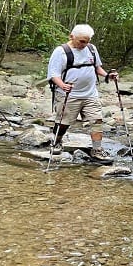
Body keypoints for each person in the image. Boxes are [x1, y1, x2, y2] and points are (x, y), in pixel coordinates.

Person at [47, 24, 119, 164]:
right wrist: (62, 85)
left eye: (87, 41)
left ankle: (97, 151)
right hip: (69, 95)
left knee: (96, 120)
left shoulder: (91, 49)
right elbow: (53, 75)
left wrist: (108, 76)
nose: (84, 44)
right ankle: (57, 141)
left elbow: (97, 67)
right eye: (81, 41)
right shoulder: (60, 52)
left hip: (90, 94)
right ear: (71, 36)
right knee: (63, 123)